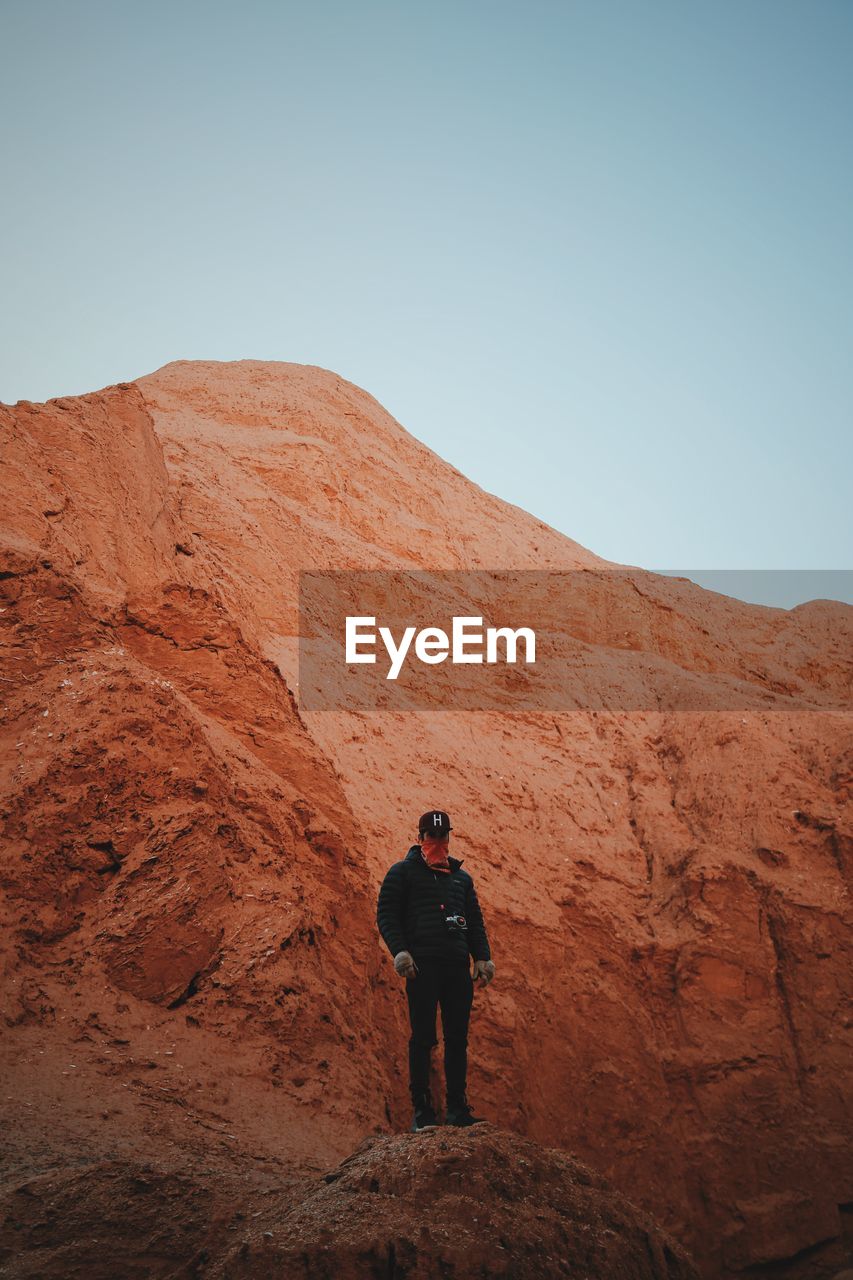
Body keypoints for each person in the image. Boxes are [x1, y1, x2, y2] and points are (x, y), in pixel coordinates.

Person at [376, 809, 496, 1131]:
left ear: (448, 838)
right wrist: (400, 952)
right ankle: (422, 1112)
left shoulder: (462, 879)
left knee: (457, 1039)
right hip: (423, 968)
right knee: (423, 1038)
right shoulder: (402, 873)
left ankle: (458, 1110)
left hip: (457, 969)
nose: (438, 842)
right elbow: (386, 914)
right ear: (420, 838)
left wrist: (482, 957)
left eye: (443, 836)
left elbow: (475, 923)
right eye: (432, 836)